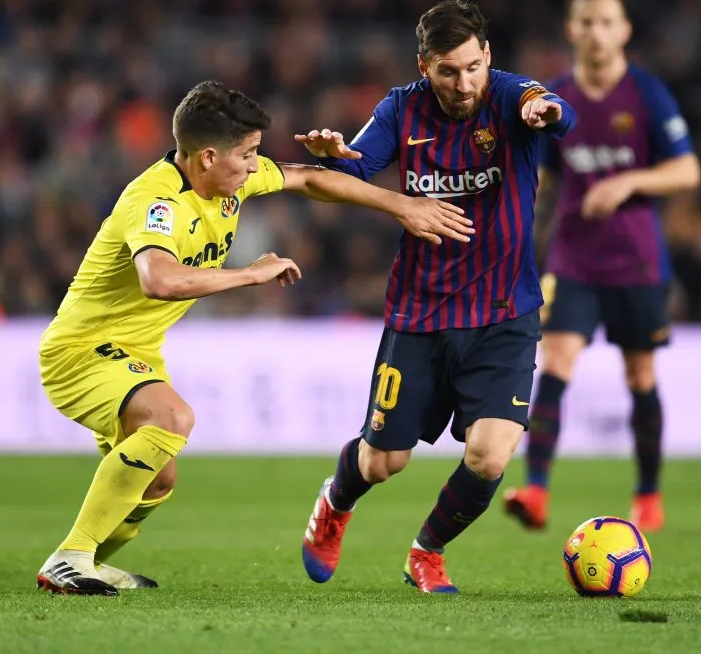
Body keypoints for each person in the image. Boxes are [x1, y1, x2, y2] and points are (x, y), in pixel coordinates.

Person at [35, 80, 473, 596]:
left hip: (134, 352)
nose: (252, 165)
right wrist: (250, 274)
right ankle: (71, 556)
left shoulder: (230, 180)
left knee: (158, 478)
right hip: (81, 352)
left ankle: (86, 560)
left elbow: (308, 179)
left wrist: (400, 205)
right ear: (207, 156)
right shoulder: (156, 202)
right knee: (173, 418)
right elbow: (160, 280)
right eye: (247, 155)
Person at [297, 0, 577, 594]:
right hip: (420, 315)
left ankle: (427, 552)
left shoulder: (509, 96)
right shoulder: (401, 110)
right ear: (424, 66)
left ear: (487, 57)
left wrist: (546, 112)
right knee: (382, 462)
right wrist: (334, 160)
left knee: (490, 457)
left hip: (506, 315)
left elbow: (554, 110)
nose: (464, 82)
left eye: (473, 66)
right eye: (448, 71)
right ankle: (335, 500)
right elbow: (348, 176)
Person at [503, 0, 701, 533]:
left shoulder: (647, 95)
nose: (596, 32)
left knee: (640, 373)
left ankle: (648, 496)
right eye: (586, 22)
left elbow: (688, 170)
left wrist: (628, 181)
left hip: (637, 261)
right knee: (558, 361)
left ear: (625, 31)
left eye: (607, 22)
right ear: (571, 31)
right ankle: (536, 490)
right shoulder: (553, 100)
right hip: (573, 259)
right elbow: (534, 173)